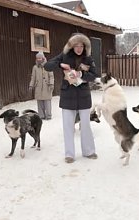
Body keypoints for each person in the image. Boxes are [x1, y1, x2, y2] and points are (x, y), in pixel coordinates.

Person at [44, 33, 97, 163]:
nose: (79, 48)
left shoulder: (88, 59)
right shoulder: (64, 56)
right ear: (71, 46)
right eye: (76, 45)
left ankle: (89, 151)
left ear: (85, 47)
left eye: (81, 45)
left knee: (85, 126)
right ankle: (69, 154)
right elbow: (47, 66)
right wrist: (60, 65)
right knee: (68, 127)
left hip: (84, 96)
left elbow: (94, 75)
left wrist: (81, 73)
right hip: (68, 96)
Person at [29, 51, 54, 120]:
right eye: (37, 58)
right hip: (38, 87)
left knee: (47, 102)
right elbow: (33, 77)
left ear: (43, 58)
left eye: (40, 58)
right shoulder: (35, 67)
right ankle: (41, 115)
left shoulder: (48, 66)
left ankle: (48, 115)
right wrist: (31, 85)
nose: (39, 59)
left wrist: (51, 84)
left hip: (47, 86)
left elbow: (51, 76)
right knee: (40, 102)